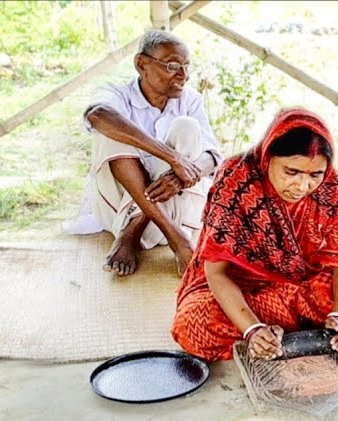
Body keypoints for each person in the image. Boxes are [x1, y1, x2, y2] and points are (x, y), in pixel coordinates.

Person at [171, 108, 338, 362]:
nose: (303, 186)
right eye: (291, 172)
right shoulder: (235, 180)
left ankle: (290, 334)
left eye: (315, 175)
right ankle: (275, 334)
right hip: (243, 291)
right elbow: (216, 273)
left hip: (302, 286)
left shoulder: (330, 186)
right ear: (268, 157)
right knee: (192, 324)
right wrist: (252, 328)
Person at [63, 29, 222, 276]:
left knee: (187, 127)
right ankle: (176, 240)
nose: (184, 75)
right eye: (172, 65)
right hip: (117, 211)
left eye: (186, 66)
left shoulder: (190, 100)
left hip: (175, 207)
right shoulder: (117, 94)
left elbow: (212, 156)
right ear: (141, 63)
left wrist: (178, 176)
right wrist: (174, 159)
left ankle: (133, 232)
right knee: (111, 128)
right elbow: (97, 114)